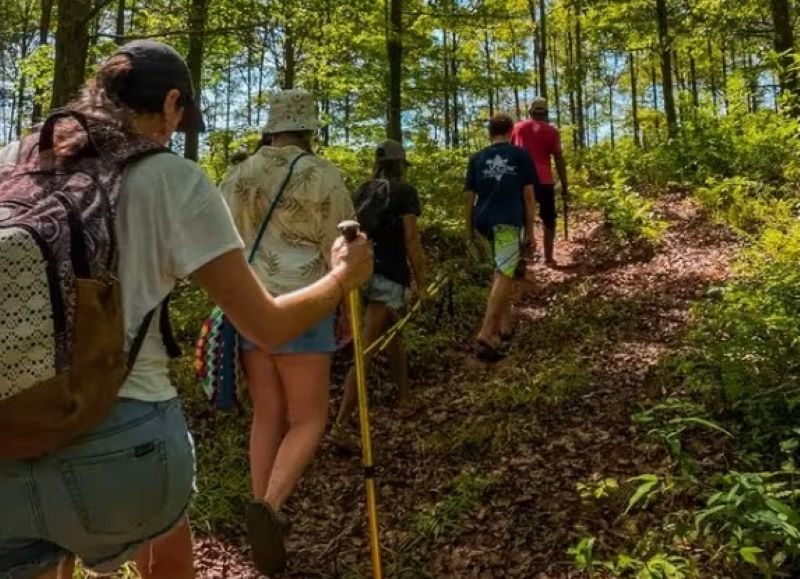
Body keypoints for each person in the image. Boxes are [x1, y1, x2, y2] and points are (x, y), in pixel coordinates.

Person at [0, 42, 372, 579]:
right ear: (172, 102)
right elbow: (266, 320)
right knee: (294, 423)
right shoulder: (171, 176)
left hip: (10, 430)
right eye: (178, 119)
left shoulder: (15, 159)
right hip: (124, 439)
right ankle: (269, 503)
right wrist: (342, 278)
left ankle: (259, 496)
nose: (172, 133)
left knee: (267, 413)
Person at [219, 89, 355, 575]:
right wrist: (343, 303)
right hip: (305, 302)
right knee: (308, 418)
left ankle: (262, 509)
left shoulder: (239, 174)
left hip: (251, 304)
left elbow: (222, 239)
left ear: (271, 126)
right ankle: (271, 506)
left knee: (267, 414)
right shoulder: (324, 175)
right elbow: (342, 249)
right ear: (309, 127)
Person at [330, 139, 427, 452]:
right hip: (389, 275)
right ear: (401, 164)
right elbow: (411, 239)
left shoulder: (362, 190)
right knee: (367, 349)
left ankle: (404, 395)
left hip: (362, 272)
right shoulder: (405, 192)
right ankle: (341, 424)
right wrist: (423, 282)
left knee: (393, 332)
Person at [465, 113, 537, 361]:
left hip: (483, 221)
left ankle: (505, 325)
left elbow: (468, 198)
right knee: (505, 272)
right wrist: (531, 231)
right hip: (507, 220)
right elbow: (528, 195)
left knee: (501, 270)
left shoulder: (476, 158)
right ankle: (486, 331)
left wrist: (468, 231)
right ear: (511, 132)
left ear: (489, 133)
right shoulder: (520, 155)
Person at [511, 97, 569, 266]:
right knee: (549, 218)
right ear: (546, 112)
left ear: (530, 111)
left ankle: (521, 257)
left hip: (521, 179)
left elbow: (510, 153)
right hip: (544, 180)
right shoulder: (552, 131)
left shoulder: (517, 128)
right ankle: (548, 257)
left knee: (521, 217)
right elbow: (558, 158)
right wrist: (564, 184)